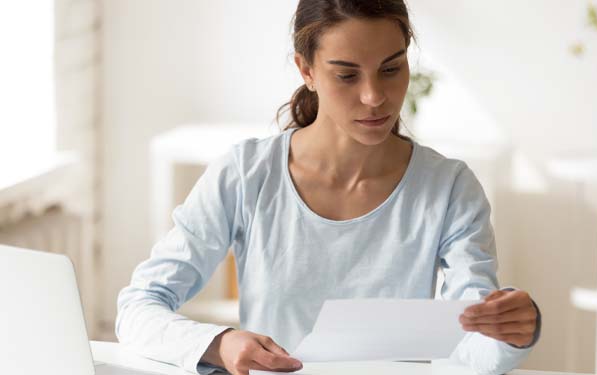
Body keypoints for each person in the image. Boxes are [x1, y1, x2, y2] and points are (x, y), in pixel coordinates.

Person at [115, 1, 541, 374]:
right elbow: (138, 308)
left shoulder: (449, 187)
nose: (375, 96)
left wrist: (513, 333)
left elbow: (473, 343)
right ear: (307, 71)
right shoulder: (245, 174)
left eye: (391, 69)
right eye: (346, 76)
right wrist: (219, 344)